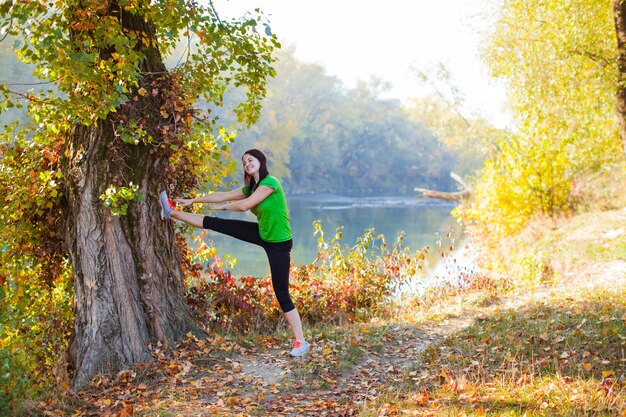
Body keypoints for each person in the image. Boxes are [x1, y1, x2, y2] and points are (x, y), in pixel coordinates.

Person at [159, 149, 310, 357]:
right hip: (263, 233)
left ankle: (301, 342)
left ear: (261, 161)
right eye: (244, 162)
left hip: (279, 244)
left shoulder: (271, 183)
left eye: (251, 159)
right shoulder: (251, 187)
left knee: (282, 293)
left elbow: (245, 205)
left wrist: (223, 207)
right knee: (217, 224)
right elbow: (222, 194)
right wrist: (194, 201)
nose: (247, 163)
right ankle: (171, 212)